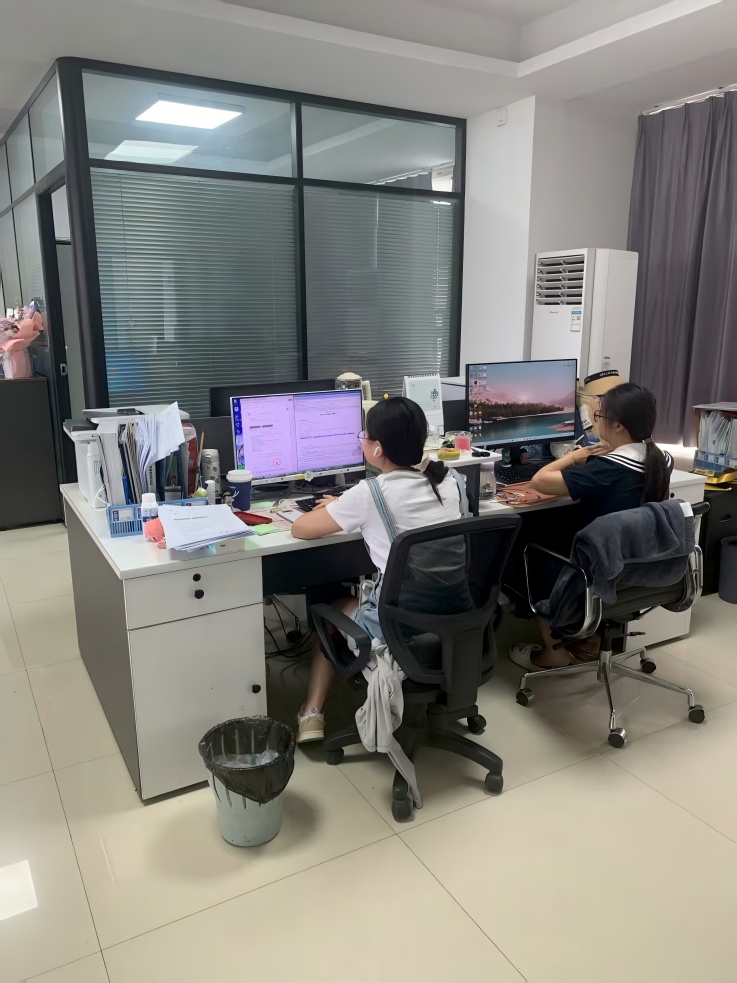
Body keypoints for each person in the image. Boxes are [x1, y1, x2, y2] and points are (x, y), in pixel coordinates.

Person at [290, 396, 468, 743]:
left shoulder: (369, 493)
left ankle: (312, 713)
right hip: (456, 615)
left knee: (328, 607)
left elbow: (301, 529)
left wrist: (339, 506)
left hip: (398, 628)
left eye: (365, 435)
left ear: (377, 449)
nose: (362, 440)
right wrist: (343, 505)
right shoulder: (451, 480)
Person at [510, 382, 673, 671]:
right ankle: (589, 642)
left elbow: (539, 481)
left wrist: (572, 458)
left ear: (619, 425)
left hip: (597, 570)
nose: (596, 422)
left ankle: (554, 652)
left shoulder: (608, 469)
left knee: (528, 546)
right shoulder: (662, 459)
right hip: (635, 567)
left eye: (600, 416)